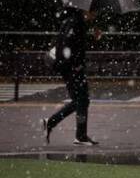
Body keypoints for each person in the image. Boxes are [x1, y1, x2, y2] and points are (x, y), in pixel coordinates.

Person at [42, 8, 101, 145]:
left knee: (81, 101)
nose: (95, 15)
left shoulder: (74, 22)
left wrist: (92, 37)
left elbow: (76, 45)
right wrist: (75, 66)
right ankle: (78, 136)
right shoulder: (75, 23)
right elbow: (69, 46)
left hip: (71, 68)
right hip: (73, 69)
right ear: (86, 11)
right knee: (81, 100)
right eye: (94, 11)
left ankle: (54, 124)